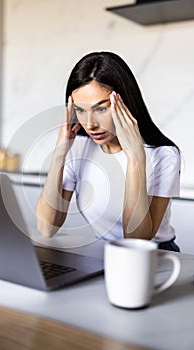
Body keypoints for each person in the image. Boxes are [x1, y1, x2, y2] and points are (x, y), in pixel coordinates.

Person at [36, 51, 181, 252]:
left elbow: (137, 239)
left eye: (101, 109)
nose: (90, 124)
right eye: (80, 110)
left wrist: (135, 156)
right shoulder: (79, 147)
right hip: (104, 253)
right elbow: (46, 227)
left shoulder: (163, 155)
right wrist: (61, 150)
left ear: (125, 103)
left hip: (156, 256)